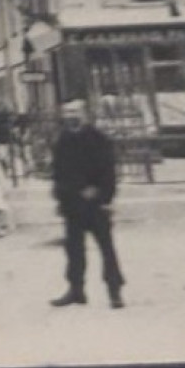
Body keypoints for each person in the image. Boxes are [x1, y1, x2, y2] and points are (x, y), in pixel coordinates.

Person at [49, 100, 125, 308]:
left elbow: (108, 170)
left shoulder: (98, 139)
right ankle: (76, 290)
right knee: (74, 249)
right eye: (67, 112)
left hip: (95, 204)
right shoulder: (62, 141)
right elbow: (58, 172)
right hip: (72, 204)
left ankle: (114, 290)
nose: (70, 116)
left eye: (75, 111)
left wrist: (103, 195)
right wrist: (61, 197)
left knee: (106, 248)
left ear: (85, 113)